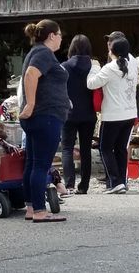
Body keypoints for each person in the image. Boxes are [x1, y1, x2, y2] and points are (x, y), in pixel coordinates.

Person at [19, 19, 69, 222]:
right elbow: (31, 75)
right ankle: (40, 211)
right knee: (41, 165)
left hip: (39, 116)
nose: (61, 39)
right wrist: (31, 104)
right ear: (52, 36)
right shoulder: (44, 53)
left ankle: (31, 208)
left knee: (32, 163)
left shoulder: (35, 52)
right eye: (60, 35)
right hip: (46, 115)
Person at [87, 37, 138, 194]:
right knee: (121, 149)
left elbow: (91, 84)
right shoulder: (133, 66)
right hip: (130, 113)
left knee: (105, 148)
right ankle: (122, 181)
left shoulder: (109, 68)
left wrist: (94, 68)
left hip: (113, 115)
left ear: (112, 52)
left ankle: (115, 182)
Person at [61, 34, 97, 195]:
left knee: (67, 149)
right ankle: (84, 186)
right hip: (89, 114)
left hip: (69, 113)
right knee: (85, 150)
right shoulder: (94, 66)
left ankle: (69, 185)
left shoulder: (64, 66)